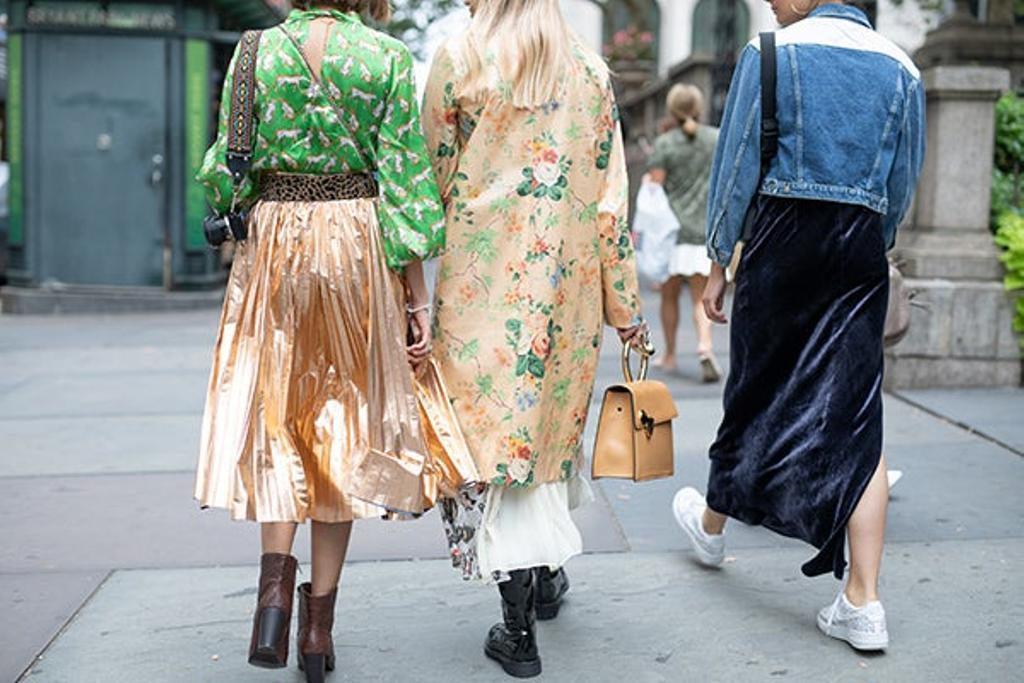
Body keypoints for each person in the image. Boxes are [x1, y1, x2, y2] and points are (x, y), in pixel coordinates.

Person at [193, 2, 445, 680]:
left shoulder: (255, 52)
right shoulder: (386, 57)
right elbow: (406, 187)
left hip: (275, 243)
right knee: (346, 429)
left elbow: (222, 168)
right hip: (357, 244)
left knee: (278, 417)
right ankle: (317, 630)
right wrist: (416, 298)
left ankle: (273, 597)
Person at [673, 0, 925, 652]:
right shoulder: (900, 65)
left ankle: (712, 528)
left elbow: (736, 169)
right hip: (858, 241)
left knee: (757, 387)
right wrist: (869, 242)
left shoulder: (770, 54)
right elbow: (902, 182)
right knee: (858, 413)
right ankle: (864, 602)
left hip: (781, 237)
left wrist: (719, 261)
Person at [422, 0, 644, 677]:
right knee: (545, 431)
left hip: (482, 278)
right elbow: (610, 203)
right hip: (567, 285)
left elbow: (432, 173)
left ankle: (517, 630)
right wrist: (625, 305)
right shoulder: (590, 70)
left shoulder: (461, 57)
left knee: (495, 441)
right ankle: (544, 577)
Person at [647, 84, 722, 382]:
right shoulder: (715, 139)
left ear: (671, 109)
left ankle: (670, 354)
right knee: (700, 296)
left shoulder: (664, 144)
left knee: (669, 296)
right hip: (702, 231)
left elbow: (654, 190)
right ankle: (705, 345)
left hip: (672, 233)